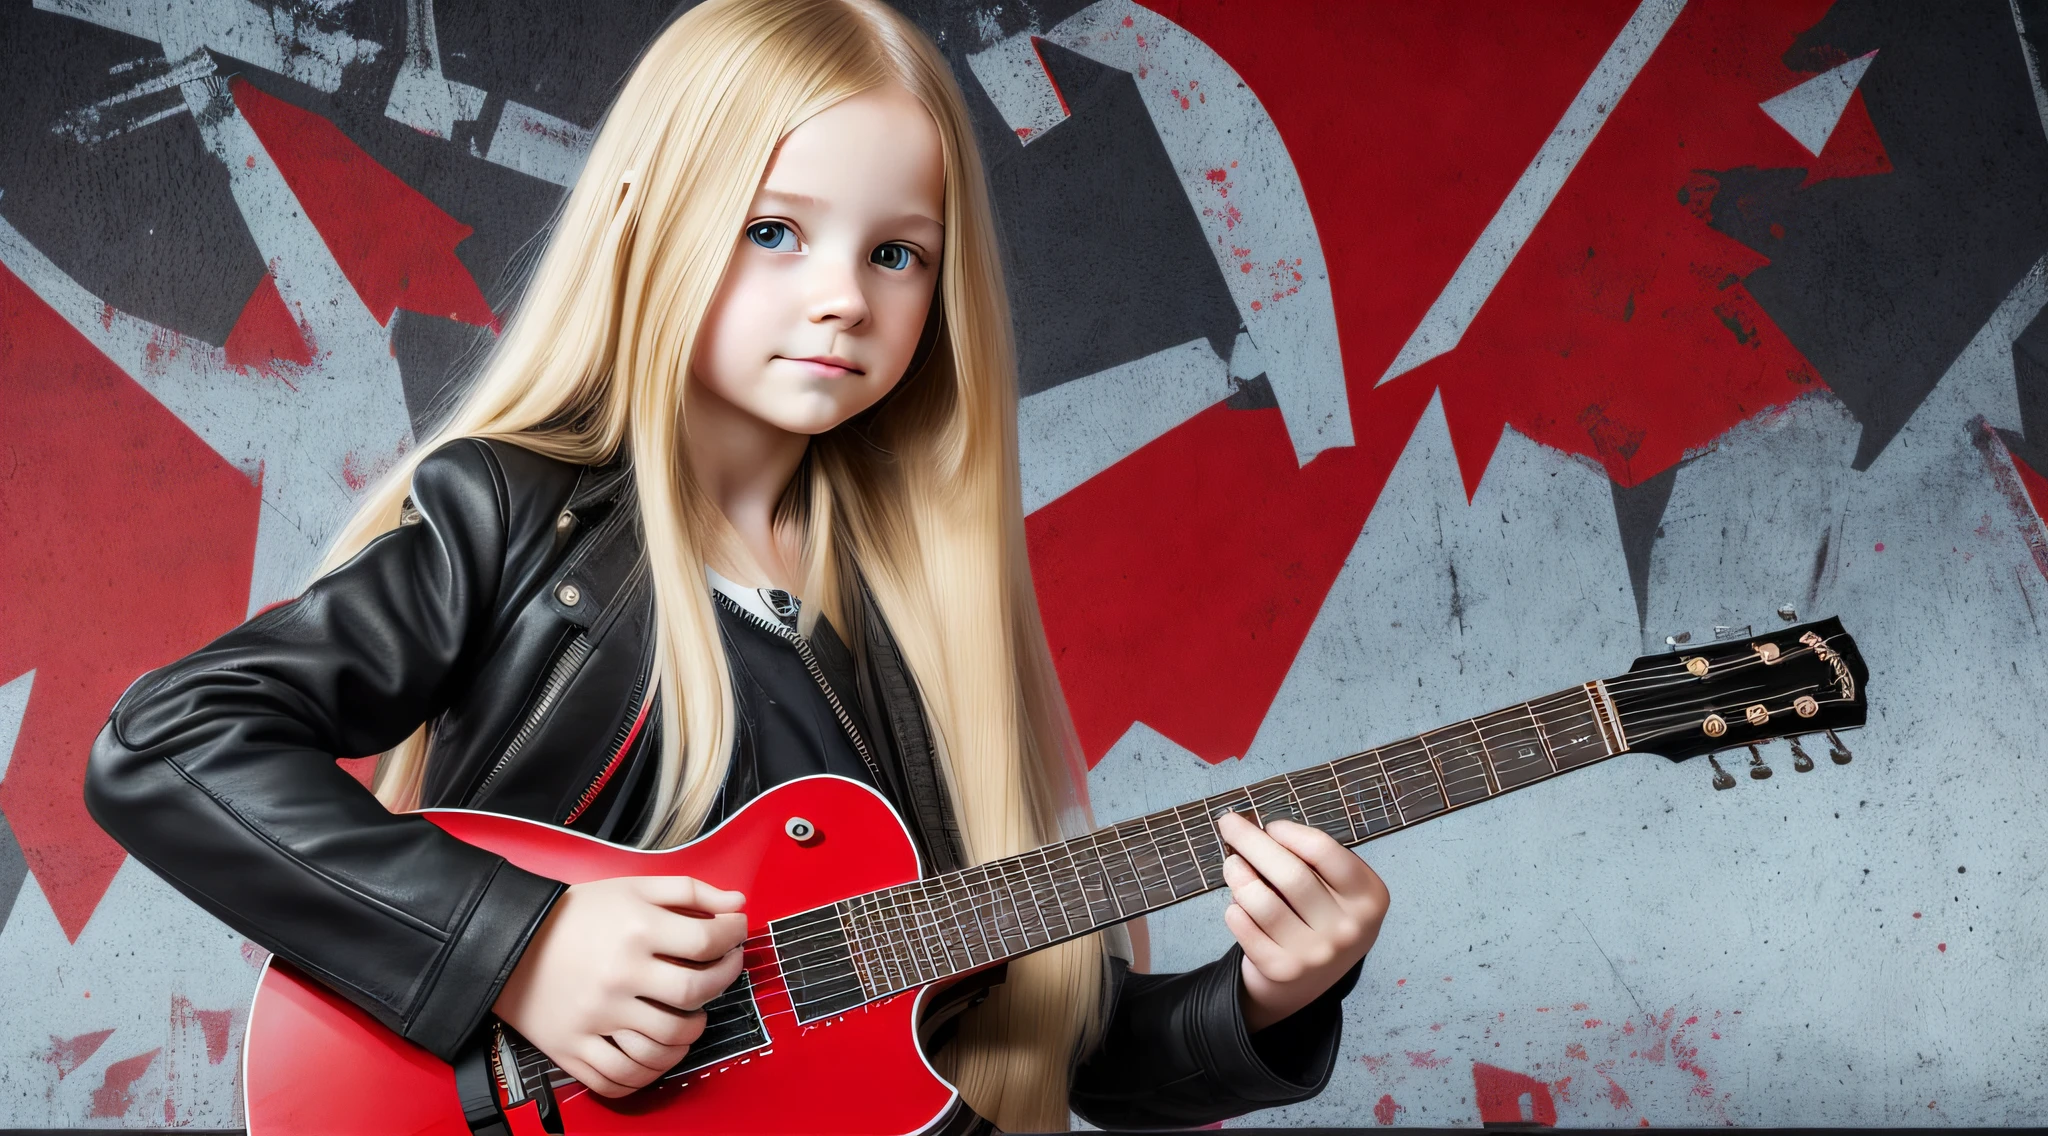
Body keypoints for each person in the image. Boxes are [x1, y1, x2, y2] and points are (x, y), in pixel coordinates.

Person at [84, 1, 1390, 1130]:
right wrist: (520, 947)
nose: (844, 297)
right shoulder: (517, 516)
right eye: (776, 230)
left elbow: (1056, 1043)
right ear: (653, 223)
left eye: (896, 253)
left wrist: (1267, 1000)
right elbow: (171, 743)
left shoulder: (922, 611)